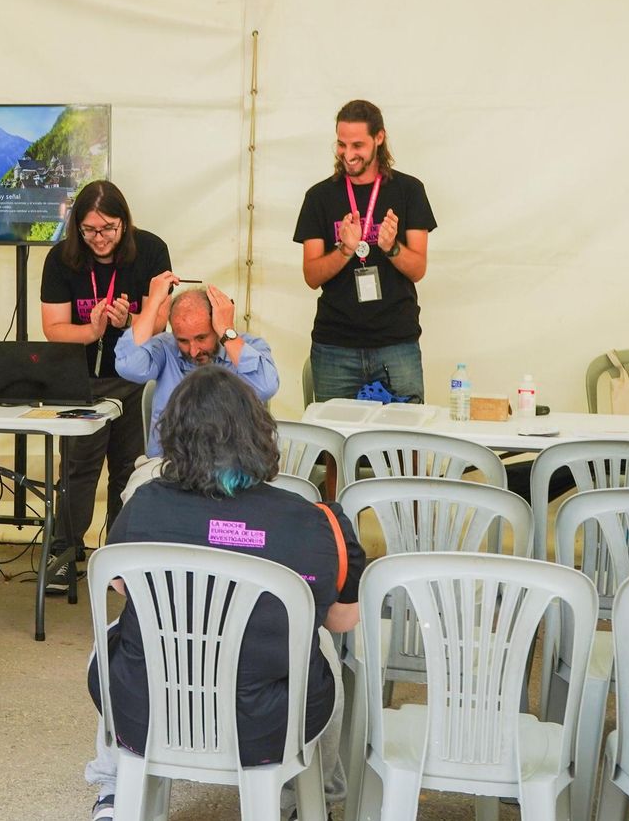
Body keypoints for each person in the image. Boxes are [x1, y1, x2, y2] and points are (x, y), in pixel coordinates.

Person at [83, 366, 365, 821]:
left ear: (172, 435)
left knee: (121, 633)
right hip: (268, 724)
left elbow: (117, 583)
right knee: (324, 646)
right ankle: (304, 802)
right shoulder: (320, 522)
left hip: (151, 709)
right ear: (261, 434)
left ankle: (116, 791)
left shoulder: (145, 505)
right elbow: (342, 620)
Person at [40, 180, 171, 592]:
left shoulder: (151, 250)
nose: (99, 239)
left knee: (129, 469)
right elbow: (53, 329)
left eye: (108, 229)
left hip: (134, 378)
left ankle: (120, 553)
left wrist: (128, 324)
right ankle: (64, 553)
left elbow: (162, 323)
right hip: (81, 380)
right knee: (78, 470)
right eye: (89, 230)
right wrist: (92, 329)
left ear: (124, 223)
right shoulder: (61, 259)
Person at [293, 99, 436, 402]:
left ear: (379, 138)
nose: (348, 154)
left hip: (396, 344)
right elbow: (311, 275)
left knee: (402, 443)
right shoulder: (319, 197)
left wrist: (392, 247)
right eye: (341, 144)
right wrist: (345, 250)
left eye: (357, 145)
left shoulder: (409, 191)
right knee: (333, 443)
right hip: (335, 346)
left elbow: (418, 269)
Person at [115, 272, 278, 459]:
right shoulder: (165, 347)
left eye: (201, 338)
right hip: (169, 467)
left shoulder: (250, 347)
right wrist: (152, 304)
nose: (193, 351)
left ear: (217, 325)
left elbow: (266, 387)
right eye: (183, 340)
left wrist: (227, 332)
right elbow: (129, 366)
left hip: (231, 468)